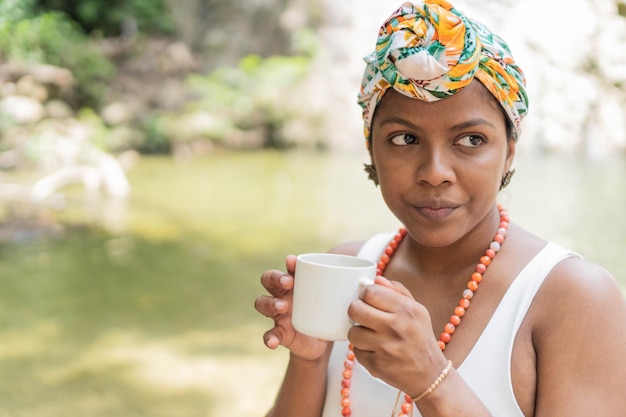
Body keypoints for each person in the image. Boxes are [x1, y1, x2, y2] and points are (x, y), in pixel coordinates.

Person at [254, 1, 626, 416]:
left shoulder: (574, 298)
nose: (435, 173)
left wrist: (431, 379)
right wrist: (309, 359)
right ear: (371, 149)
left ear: (509, 153)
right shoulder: (348, 270)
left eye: (470, 140)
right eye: (404, 139)